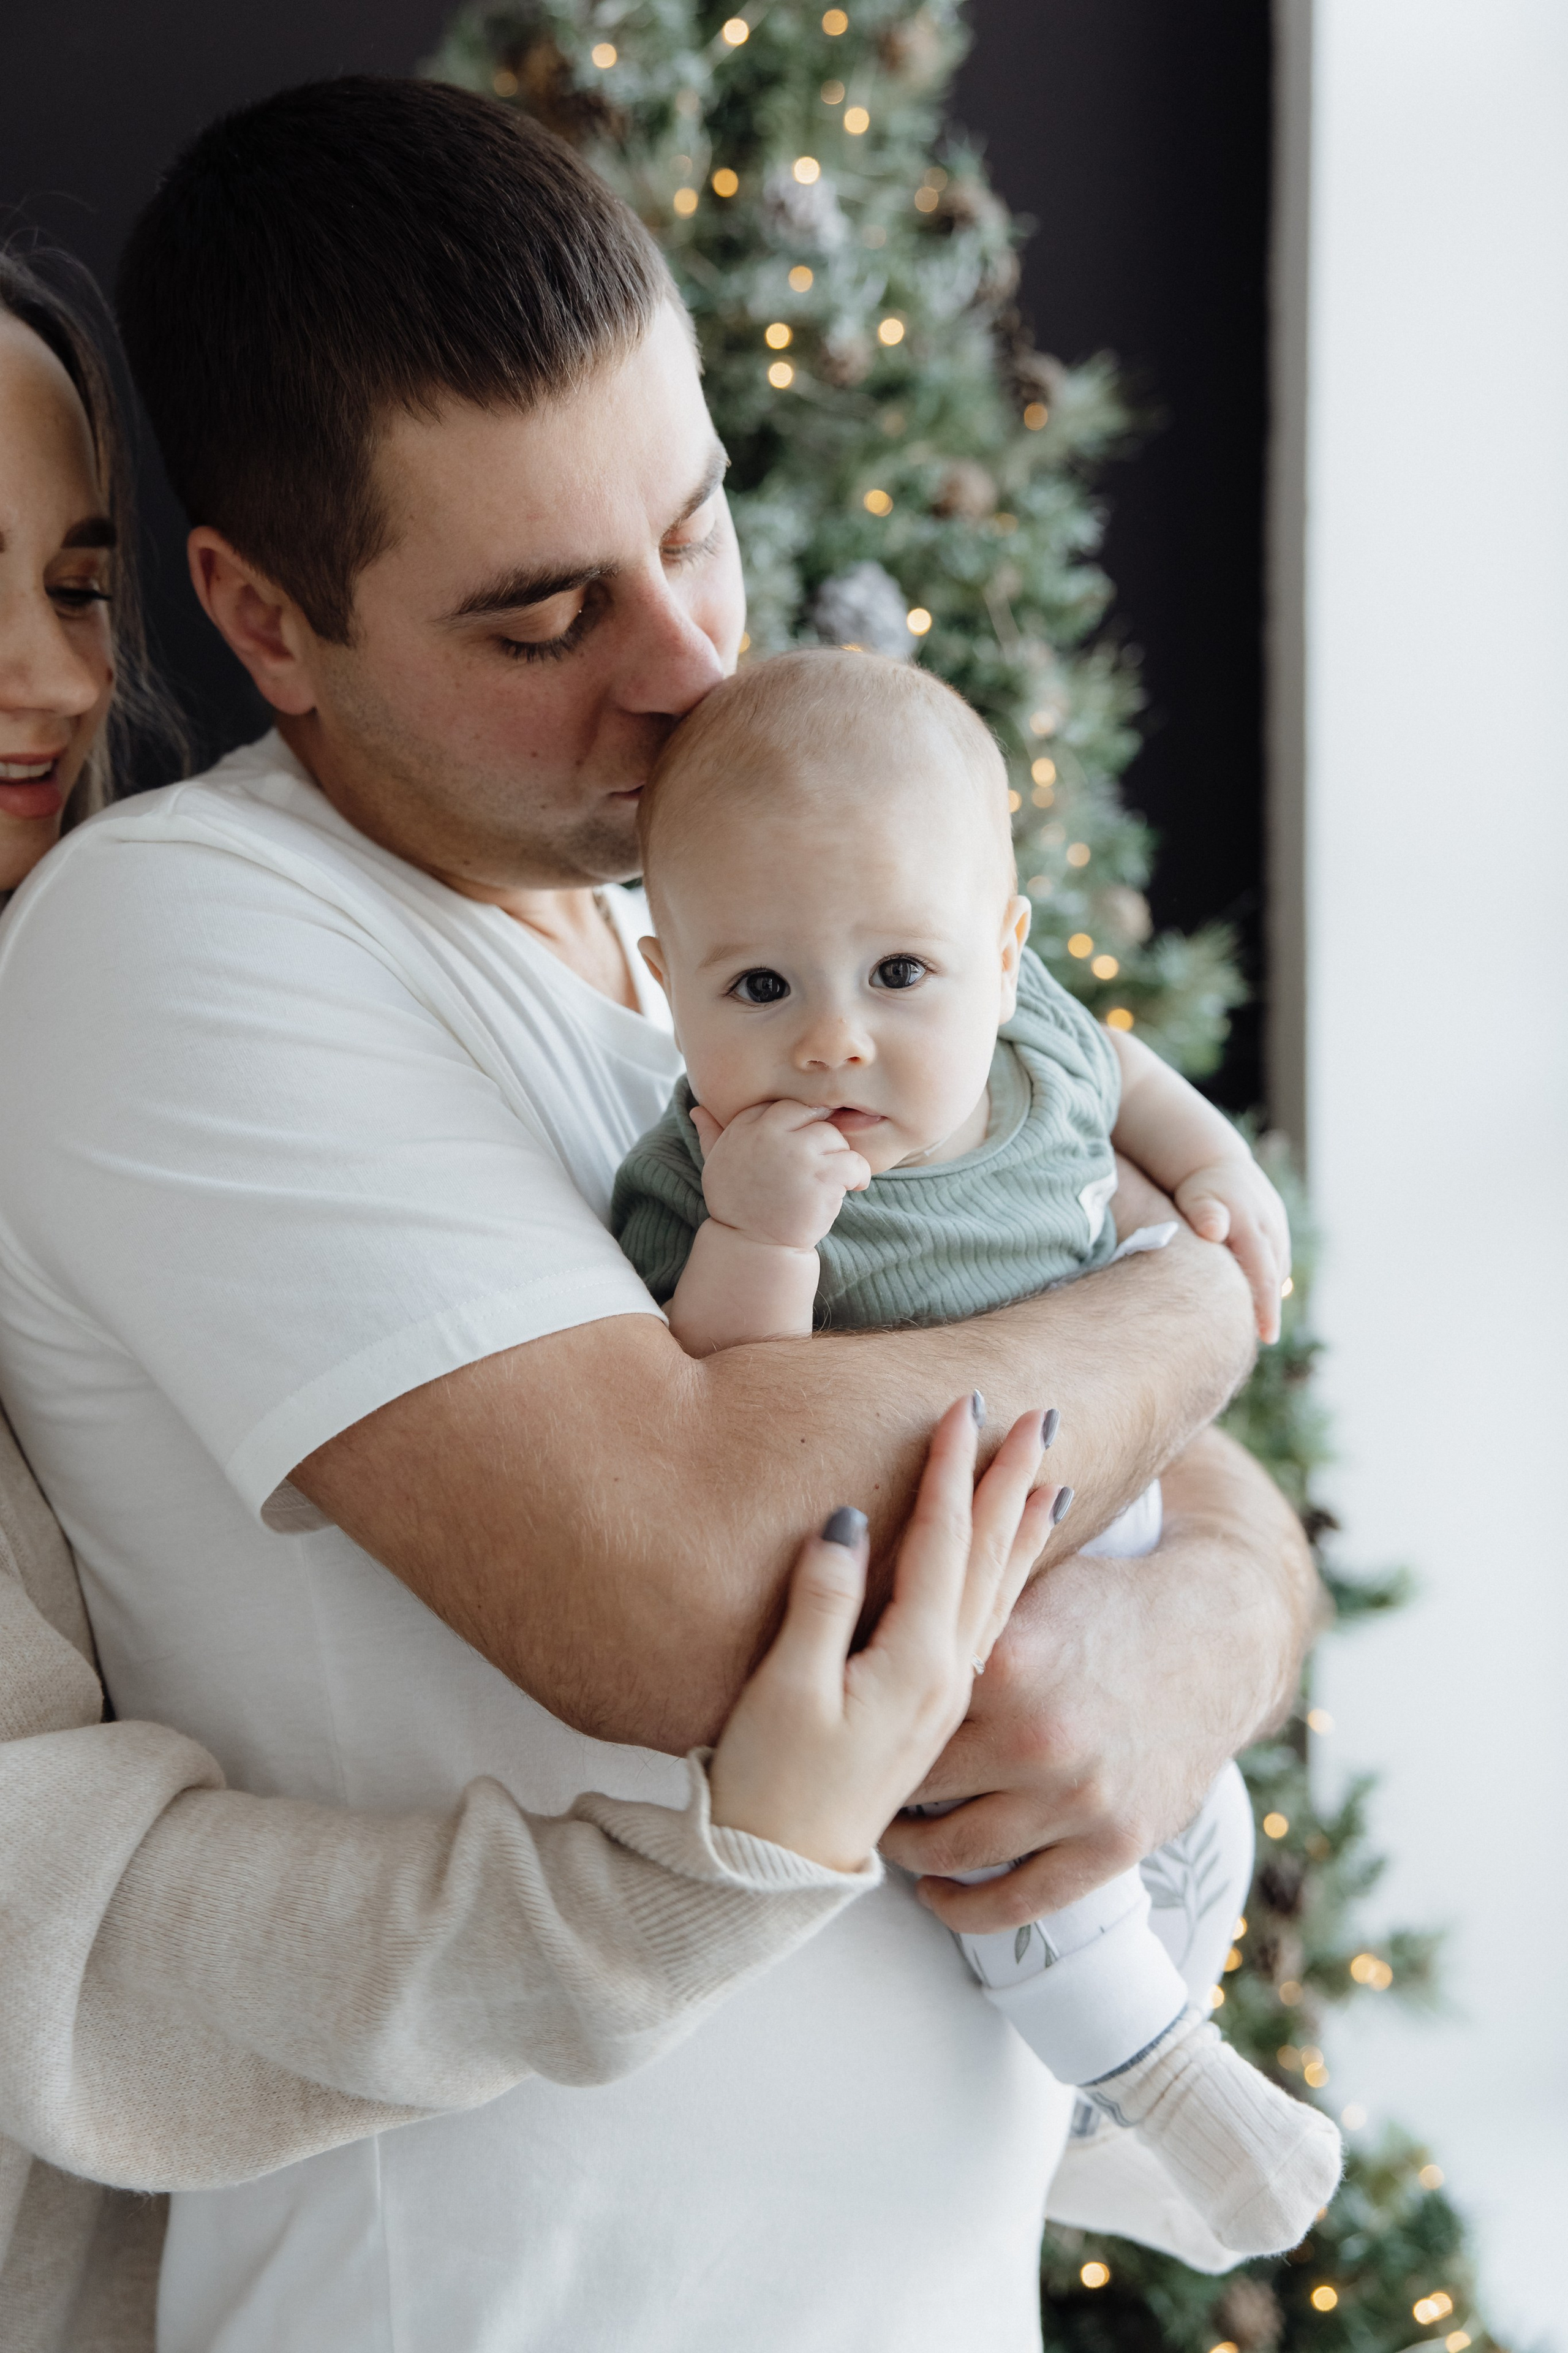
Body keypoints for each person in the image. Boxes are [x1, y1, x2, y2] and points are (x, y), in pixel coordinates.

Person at [0, 80, 1317, 2353]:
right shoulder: (180, 936)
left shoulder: (718, 911)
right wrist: (1202, 1314)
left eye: (694, 529)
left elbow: (1067, 1366)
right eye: (544, 618)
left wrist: (1201, 1623)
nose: (691, 667)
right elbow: (691, 1570)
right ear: (264, 619)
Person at [612, 648, 1342, 2257]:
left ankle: (1090, 2132)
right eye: (759, 990)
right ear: (667, 980)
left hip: (1119, 1531)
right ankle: (1164, 2083)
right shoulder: (701, 1180)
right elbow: (727, 1407)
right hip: (952, 1603)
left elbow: (1134, 1081)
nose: (833, 1043)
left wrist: (1218, 1171)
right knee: (1031, 1875)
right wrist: (761, 1236)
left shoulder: (1041, 1047)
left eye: (899, 973)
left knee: (1200, 1826)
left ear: (1004, 959)